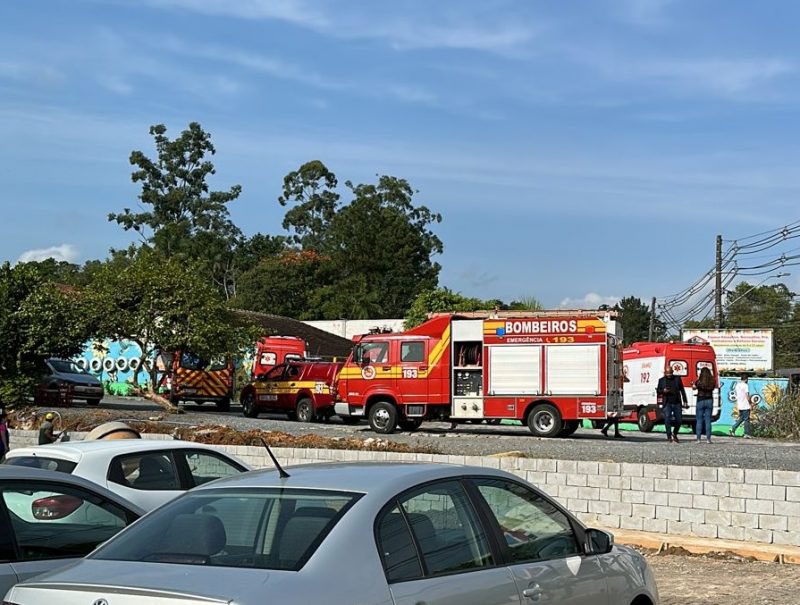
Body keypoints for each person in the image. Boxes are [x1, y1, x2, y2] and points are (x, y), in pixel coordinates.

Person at [656, 366, 688, 443]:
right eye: (667, 373)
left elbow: (682, 390)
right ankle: (669, 436)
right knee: (667, 419)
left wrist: (685, 401)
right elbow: (658, 391)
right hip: (667, 403)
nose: (669, 375)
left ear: (672, 372)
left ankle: (675, 433)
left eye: (670, 373)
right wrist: (663, 391)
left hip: (677, 402)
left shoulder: (677, 379)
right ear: (665, 373)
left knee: (679, 420)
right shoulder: (661, 380)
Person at [694, 367, 716, 443]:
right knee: (708, 420)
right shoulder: (712, 381)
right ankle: (708, 439)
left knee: (699, 420)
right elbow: (712, 387)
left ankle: (698, 439)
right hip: (709, 400)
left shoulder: (699, 381)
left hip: (700, 400)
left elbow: (695, 386)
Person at [730, 374, 752, 438]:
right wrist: (750, 403)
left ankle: (733, 428)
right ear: (746, 379)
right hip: (745, 405)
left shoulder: (737, 385)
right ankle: (746, 433)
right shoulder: (745, 386)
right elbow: (747, 395)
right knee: (746, 419)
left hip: (740, 404)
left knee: (742, 418)